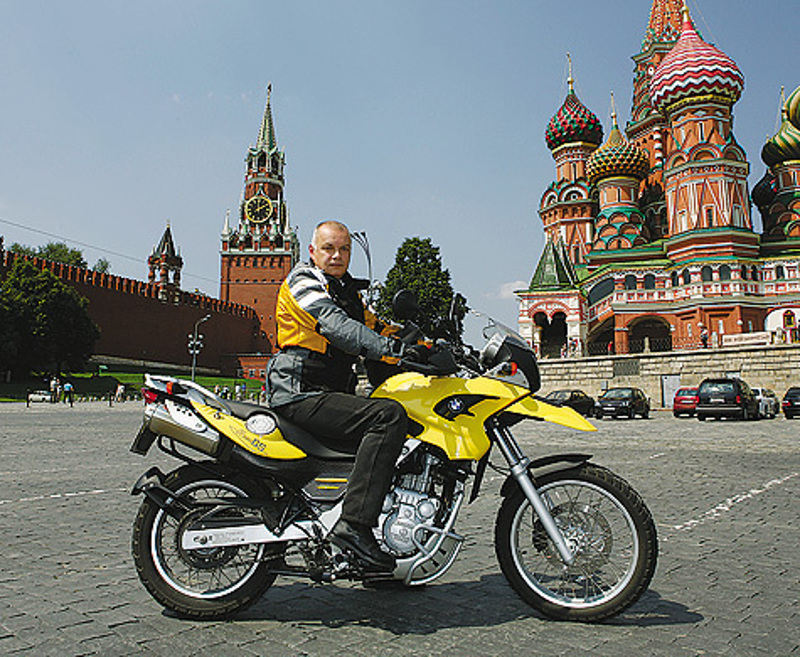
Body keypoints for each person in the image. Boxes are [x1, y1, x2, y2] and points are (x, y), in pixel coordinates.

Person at [266, 220, 410, 571]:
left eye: (344, 249)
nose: (337, 255)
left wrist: (424, 343)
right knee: (387, 416)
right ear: (313, 251)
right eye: (329, 248)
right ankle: (355, 527)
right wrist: (393, 351)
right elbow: (336, 326)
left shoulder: (346, 292)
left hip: (325, 391)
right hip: (300, 391)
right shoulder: (304, 281)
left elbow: (375, 326)